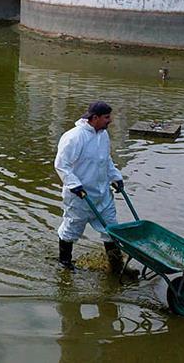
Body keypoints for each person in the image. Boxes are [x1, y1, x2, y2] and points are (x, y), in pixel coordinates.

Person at [54, 101, 125, 273]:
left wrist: (115, 177)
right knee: (71, 229)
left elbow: (106, 160)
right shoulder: (74, 137)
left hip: (103, 194)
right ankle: (65, 264)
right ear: (95, 118)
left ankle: (116, 268)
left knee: (111, 229)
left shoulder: (103, 135)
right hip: (80, 196)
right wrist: (74, 185)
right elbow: (62, 165)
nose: (110, 120)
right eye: (107, 117)